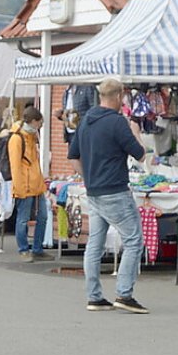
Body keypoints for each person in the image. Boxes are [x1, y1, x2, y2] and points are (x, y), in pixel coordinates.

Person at [70, 77, 147, 313]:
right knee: (134, 240)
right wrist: (135, 132)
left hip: (93, 191)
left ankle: (94, 296)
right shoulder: (118, 122)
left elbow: (73, 157)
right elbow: (140, 155)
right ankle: (124, 293)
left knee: (95, 243)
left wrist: (89, 177)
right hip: (115, 189)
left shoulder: (85, 122)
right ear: (119, 96)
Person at [7, 106, 49, 260]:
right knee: (23, 219)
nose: (40, 126)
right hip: (24, 185)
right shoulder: (17, 139)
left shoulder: (31, 136)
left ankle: (37, 248)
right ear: (32, 121)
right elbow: (15, 165)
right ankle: (23, 249)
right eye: (39, 123)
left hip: (36, 184)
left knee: (43, 216)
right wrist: (18, 188)